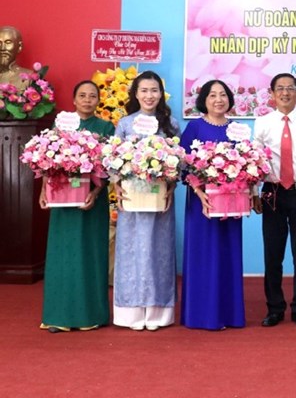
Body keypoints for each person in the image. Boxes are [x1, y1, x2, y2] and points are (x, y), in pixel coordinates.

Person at [38, 81, 115, 333]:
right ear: (73, 100)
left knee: (91, 255)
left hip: (92, 202)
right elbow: (47, 163)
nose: (87, 100)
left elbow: (109, 167)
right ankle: (57, 316)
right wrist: (43, 192)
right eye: (82, 95)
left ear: (98, 100)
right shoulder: (60, 125)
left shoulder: (106, 127)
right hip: (62, 201)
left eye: (93, 96)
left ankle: (92, 314)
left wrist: (95, 191)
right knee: (62, 256)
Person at [253, 73, 296, 328]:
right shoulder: (262, 122)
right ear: (271, 94)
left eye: (290, 88)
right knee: (273, 253)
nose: (285, 93)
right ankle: (274, 308)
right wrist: (254, 192)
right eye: (280, 89)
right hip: (271, 191)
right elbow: (255, 160)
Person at [113, 71, 180, 331]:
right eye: (144, 90)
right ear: (135, 94)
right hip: (132, 199)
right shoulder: (125, 123)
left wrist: (171, 187)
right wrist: (117, 184)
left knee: (158, 251)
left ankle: (157, 313)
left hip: (159, 199)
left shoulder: (170, 124)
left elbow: (178, 162)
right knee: (131, 252)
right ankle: (129, 313)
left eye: (154, 90)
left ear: (161, 94)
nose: (149, 95)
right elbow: (115, 158)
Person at [179, 80, 247, 330]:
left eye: (223, 95)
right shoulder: (194, 127)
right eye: (212, 95)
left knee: (228, 254)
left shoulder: (237, 129)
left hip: (232, 204)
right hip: (203, 204)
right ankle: (201, 314)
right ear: (204, 100)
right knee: (204, 255)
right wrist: (199, 192)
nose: (218, 99)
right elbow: (183, 165)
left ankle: (230, 314)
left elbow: (247, 164)